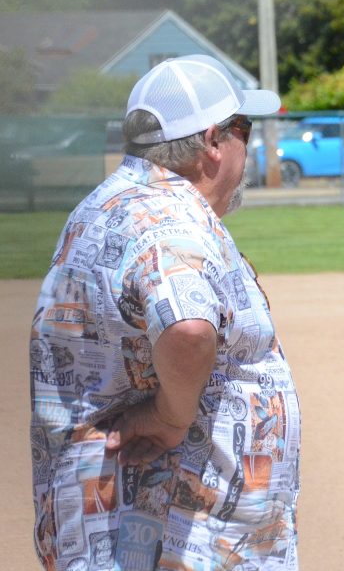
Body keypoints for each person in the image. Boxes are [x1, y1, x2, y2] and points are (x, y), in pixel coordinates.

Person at [29, 55, 301, 570]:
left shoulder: (105, 203)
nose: (251, 145)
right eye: (243, 128)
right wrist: (171, 417)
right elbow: (189, 329)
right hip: (174, 534)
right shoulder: (170, 220)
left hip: (112, 523)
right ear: (213, 142)